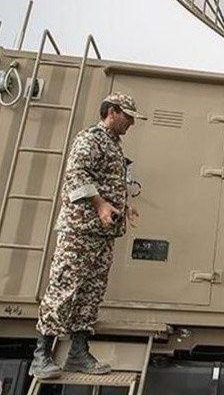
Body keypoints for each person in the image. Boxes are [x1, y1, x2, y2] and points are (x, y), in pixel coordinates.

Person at [29, 93, 147, 379]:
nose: (131, 123)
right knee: (64, 288)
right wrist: (101, 205)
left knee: (91, 293)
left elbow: (105, 183)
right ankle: (41, 356)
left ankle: (78, 353)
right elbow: (76, 175)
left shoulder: (113, 145)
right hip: (79, 232)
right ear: (112, 112)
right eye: (128, 116)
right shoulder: (91, 139)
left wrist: (122, 207)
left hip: (101, 234)